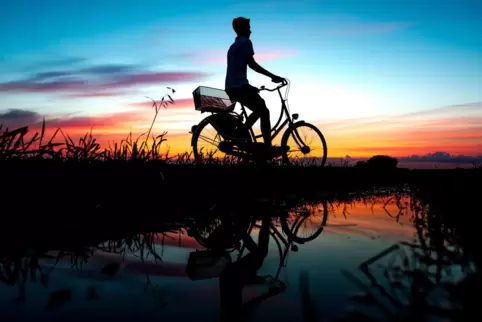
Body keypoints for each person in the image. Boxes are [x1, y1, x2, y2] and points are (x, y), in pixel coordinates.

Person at [225, 17, 286, 156]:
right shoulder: (246, 42)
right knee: (263, 110)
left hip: (232, 86)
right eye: (248, 27)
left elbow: (236, 69)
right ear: (242, 29)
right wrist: (272, 76)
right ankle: (267, 147)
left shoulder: (233, 46)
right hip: (239, 86)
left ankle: (242, 133)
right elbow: (251, 64)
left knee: (259, 108)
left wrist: (249, 86)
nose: (250, 30)